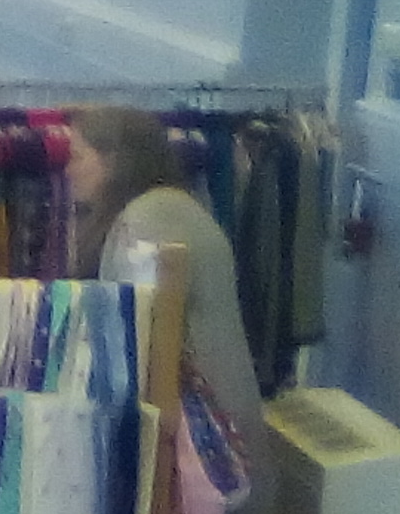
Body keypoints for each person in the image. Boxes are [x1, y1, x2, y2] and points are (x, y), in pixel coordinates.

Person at [65, 105, 265, 443]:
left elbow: (136, 347)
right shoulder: (173, 206)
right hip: (218, 423)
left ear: (113, 161)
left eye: (77, 157)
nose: (68, 170)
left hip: (204, 439)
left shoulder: (145, 221)